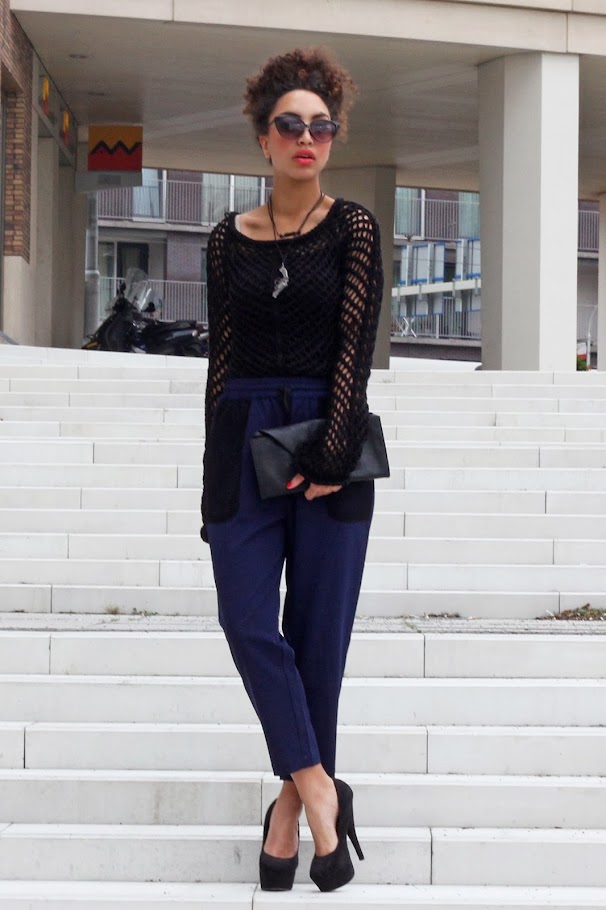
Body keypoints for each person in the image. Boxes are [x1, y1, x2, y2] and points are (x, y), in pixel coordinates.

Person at [200, 46, 384, 892]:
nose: (308, 139)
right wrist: (215, 478)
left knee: (318, 640)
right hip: (244, 433)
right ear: (263, 137)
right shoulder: (223, 240)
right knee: (246, 620)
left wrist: (332, 451)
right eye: (291, 125)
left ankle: (286, 816)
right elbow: (222, 360)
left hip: (330, 429)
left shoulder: (354, 228)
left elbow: (355, 345)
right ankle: (319, 788)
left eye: (322, 126)